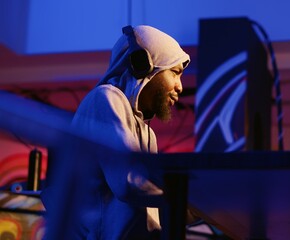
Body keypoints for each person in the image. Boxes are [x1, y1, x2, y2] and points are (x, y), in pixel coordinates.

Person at [42, 25, 191, 239]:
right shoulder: (106, 98)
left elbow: (153, 208)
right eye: (175, 73)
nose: (180, 87)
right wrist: (181, 196)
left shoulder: (147, 134)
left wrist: (204, 206)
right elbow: (127, 183)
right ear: (143, 65)